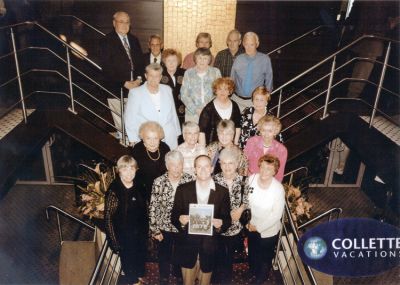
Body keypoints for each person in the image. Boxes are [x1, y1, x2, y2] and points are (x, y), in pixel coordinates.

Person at [171, 155, 231, 285]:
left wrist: (221, 224)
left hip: (210, 247)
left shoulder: (222, 191)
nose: (203, 170)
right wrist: (180, 220)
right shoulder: (183, 190)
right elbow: (174, 216)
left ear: (212, 168)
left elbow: (227, 219)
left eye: (206, 166)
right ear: (194, 170)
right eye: (199, 166)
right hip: (188, 245)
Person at [149, 150, 194, 285]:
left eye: (179, 164)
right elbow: (153, 206)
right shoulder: (159, 182)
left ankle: (179, 275)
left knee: (181, 252)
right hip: (164, 225)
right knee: (164, 253)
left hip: (183, 225)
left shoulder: (189, 180)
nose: (176, 168)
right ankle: (164, 277)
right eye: (173, 165)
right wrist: (155, 229)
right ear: (167, 166)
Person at [104, 155, 148, 285]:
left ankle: (138, 280)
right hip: (124, 237)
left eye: (132, 169)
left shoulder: (140, 185)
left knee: (139, 264)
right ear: (119, 171)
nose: (129, 173)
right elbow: (108, 218)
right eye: (125, 169)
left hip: (140, 235)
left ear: (136, 170)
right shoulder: (114, 190)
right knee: (130, 269)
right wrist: (114, 241)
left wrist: (148, 233)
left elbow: (145, 210)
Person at [101, 11, 144, 137]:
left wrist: (139, 80)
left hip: (135, 88)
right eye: (121, 21)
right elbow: (107, 68)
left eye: (127, 22)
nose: (125, 25)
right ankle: (124, 150)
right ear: (114, 23)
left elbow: (141, 63)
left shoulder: (134, 40)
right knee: (122, 127)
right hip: (116, 89)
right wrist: (124, 83)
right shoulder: (106, 41)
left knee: (135, 122)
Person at [244, 154, 285, 284]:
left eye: (269, 169)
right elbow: (245, 200)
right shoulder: (251, 179)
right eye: (262, 167)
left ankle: (261, 276)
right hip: (251, 225)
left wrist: (259, 227)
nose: (264, 171)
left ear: (274, 171)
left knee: (264, 256)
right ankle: (253, 271)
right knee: (252, 251)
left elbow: (276, 214)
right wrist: (247, 222)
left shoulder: (278, 189)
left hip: (268, 229)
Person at [124, 63, 181, 149]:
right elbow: (130, 117)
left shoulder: (167, 89)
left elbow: (173, 112)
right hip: (148, 138)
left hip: (169, 136)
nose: (154, 79)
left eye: (157, 76)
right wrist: (132, 139)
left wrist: (177, 132)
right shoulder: (135, 93)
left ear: (161, 77)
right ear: (146, 76)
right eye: (151, 75)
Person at [213, 147, 247, 283]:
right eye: (224, 163)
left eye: (231, 163)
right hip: (218, 226)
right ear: (220, 164)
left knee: (228, 259)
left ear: (237, 164)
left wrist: (241, 209)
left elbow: (249, 199)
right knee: (216, 256)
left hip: (234, 227)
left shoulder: (244, 181)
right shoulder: (214, 180)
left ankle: (226, 280)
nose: (227, 167)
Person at [231, 32, 273, 111]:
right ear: (243, 44)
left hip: (255, 102)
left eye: (252, 45)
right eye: (246, 44)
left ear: (257, 44)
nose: (249, 48)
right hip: (237, 100)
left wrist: (265, 100)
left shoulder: (265, 59)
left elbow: (269, 82)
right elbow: (232, 79)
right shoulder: (238, 59)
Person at [131, 121, 170, 203]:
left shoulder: (165, 148)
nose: (152, 142)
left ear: (159, 138)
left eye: (155, 138)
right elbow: (133, 174)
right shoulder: (137, 150)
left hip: (163, 189)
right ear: (143, 139)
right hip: (142, 190)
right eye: (148, 138)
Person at [180, 48, 221, 123]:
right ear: (195, 59)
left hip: (211, 112)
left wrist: (208, 109)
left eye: (205, 58)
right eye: (200, 58)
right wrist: (196, 110)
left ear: (209, 60)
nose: (202, 61)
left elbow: (219, 92)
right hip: (192, 114)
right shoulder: (188, 73)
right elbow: (184, 95)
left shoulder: (215, 72)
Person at [198, 77, 241, 146]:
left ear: (230, 91)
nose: (222, 92)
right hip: (212, 147)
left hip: (230, 146)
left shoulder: (235, 106)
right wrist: (203, 151)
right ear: (215, 91)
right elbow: (201, 132)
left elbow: (238, 127)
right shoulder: (208, 108)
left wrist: (235, 144)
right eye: (220, 89)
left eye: (225, 89)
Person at [244, 115, 287, 181]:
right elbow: (244, 163)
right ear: (260, 130)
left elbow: (279, 174)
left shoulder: (281, 150)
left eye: (270, 131)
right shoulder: (252, 141)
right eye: (263, 130)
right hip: (250, 179)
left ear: (275, 132)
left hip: (268, 182)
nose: (266, 134)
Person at [161, 48, 186, 125]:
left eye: (174, 60)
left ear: (178, 62)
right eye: (169, 61)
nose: (171, 63)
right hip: (165, 113)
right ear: (164, 62)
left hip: (182, 112)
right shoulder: (159, 75)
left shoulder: (185, 73)